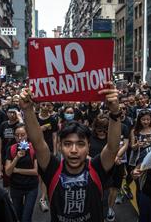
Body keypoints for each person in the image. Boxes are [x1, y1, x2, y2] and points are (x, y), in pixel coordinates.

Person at [19, 81, 121, 221]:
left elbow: (112, 148)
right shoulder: (52, 169)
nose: (74, 150)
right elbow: (38, 143)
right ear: (59, 146)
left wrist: (115, 112)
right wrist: (28, 110)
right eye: (68, 144)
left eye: (80, 144)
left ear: (88, 146)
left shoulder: (97, 168)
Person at [5, 124, 38, 222]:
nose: (20, 138)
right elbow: (8, 172)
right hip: (16, 187)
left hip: (31, 187)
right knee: (17, 216)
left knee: (26, 218)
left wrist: (17, 170)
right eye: (17, 135)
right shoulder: (11, 149)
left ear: (27, 135)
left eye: (22, 135)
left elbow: (35, 172)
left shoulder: (33, 149)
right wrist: (17, 158)